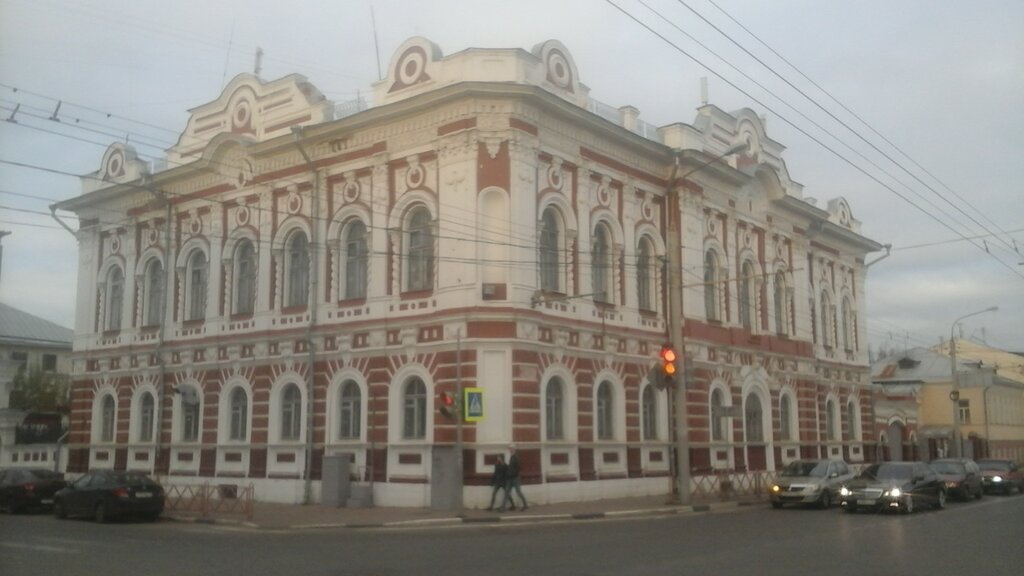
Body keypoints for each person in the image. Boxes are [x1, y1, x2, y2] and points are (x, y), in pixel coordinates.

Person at [500, 444, 528, 511]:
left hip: (515, 478)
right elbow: (512, 468)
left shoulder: (516, 457)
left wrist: (513, 473)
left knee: (518, 492)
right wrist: (508, 473)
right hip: (510, 478)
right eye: (509, 448)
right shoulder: (512, 457)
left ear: (514, 449)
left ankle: (525, 505)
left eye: (510, 448)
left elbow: (519, 467)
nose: (509, 449)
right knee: (506, 492)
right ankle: (502, 508)